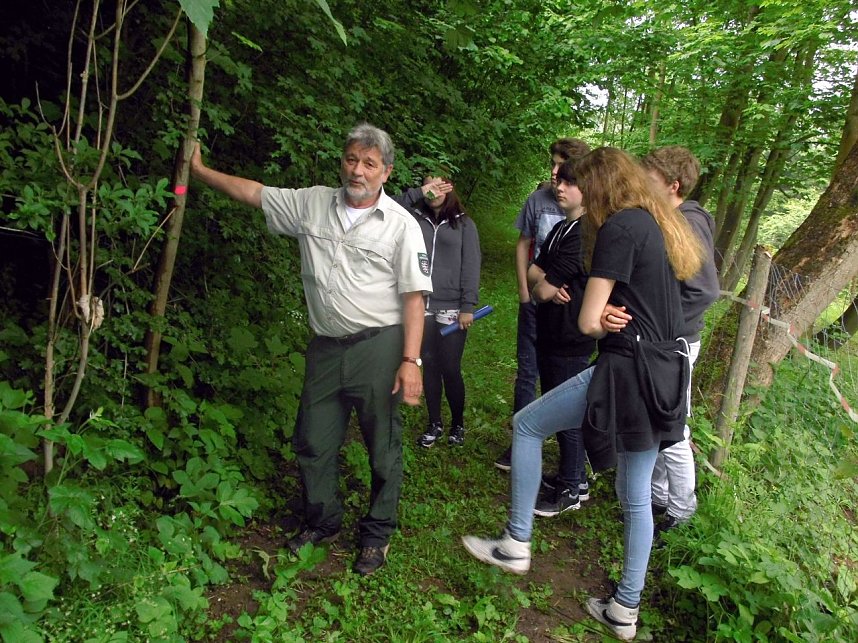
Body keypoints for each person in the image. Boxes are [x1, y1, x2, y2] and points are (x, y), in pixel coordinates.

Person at [462, 148, 703, 641]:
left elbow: (589, 321)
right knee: (635, 494)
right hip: (666, 373)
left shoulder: (618, 227)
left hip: (628, 372)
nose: (573, 193)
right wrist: (613, 313)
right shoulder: (657, 225)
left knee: (527, 425)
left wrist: (599, 318)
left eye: (581, 186)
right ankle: (624, 609)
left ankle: (515, 542)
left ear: (600, 187)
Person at [189, 123, 433, 576]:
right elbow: (254, 194)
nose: (357, 171)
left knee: (383, 445)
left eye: (369, 164)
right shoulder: (312, 203)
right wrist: (199, 172)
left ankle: (378, 534)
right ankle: (323, 521)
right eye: (351, 160)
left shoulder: (402, 226)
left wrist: (410, 361)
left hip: (379, 347)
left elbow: (414, 298)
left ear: (386, 172)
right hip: (325, 347)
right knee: (313, 439)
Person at [602, 146, 719, 535]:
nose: (641, 186)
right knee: (653, 422)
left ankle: (682, 510)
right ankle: (654, 497)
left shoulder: (689, 222)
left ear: (673, 185)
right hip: (659, 343)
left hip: (675, 343)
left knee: (673, 427)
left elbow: (704, 290)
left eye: (649, 180)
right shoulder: (664, 219)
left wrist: (662, 328)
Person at [494, 137, 591, 471]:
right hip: (536, 298)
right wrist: (527, 289)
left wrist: (559, 288)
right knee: (527, 373)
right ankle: (521, 443)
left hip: (566, 316)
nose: (554, 174)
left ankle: (570, 469)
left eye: (562, 168)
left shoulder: (587, 221)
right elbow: (528, 250)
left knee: (562, 383)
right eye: (553, 166)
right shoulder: (538, 201)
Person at [527, 160, 595, 516]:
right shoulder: (560, 229)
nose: (560, 186)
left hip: (570, 339)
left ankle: (572, 487)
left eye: (570, 182)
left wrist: (544, 286)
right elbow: (534, 270)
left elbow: (540, 287)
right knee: (559, 407)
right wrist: (544, 283)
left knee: (566, 413)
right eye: (560, 181)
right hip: (553, 333)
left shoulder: (584, 234)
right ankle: (573, 477)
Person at [393, 177, 481, 447]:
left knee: (450, 367)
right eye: (428, 186)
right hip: (421, 304)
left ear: (450, 188)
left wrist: (468, 306)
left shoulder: (464, 223)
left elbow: (471, 265)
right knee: (429, 363)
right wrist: (418, 193)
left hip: (453, 307)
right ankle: (435, 423)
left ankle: (458, 424)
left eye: (439, 185)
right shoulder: (412, 218)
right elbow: (387, 205)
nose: (434, 191)